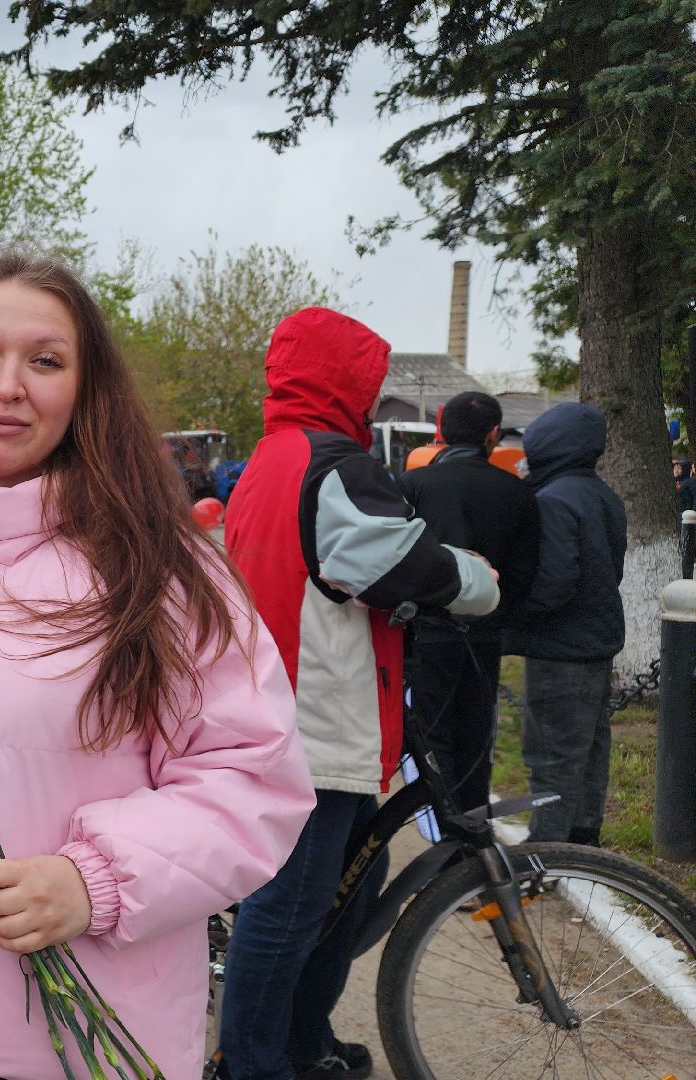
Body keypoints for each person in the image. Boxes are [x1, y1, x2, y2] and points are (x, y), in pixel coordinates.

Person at [0, 254, 314, 1079]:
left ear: (85, 389)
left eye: (45, 361)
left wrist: (95, 880)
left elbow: (255, 780)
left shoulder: (158, 569)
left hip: (82, 1040)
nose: (7, 386)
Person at [218, 308, 500, 1080]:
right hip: (317, 720)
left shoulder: (273, 457)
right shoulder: (335, 463)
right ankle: (253, 1064)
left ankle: (302, 1041)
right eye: (368, 383)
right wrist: (475, 578)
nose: (374, 400)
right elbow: (393, 563)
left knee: (349, 885)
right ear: (344, 382)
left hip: (282, 702)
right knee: (292, 909)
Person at [400, 391, 541, 816]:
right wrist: (495, 608)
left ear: (441, 432)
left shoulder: (415, 485)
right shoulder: (517, 492)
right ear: (493, 434)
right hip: (485, 632)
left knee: (431, 735)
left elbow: (396, 559)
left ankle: (440, 827)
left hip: (425, 630)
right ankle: (475, 829)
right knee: (477, 737)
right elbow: (524, 573)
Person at [504, 402, 626, 845]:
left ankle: (548, 849)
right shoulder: (602, 494)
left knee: (552, 755)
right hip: (595, 640)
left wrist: (511, 616)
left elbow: (554, 581)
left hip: (559, 645)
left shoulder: (553, 499)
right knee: (590, 749)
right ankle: (582, 842)